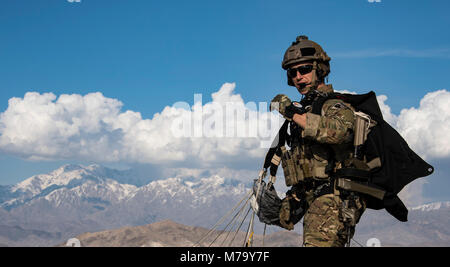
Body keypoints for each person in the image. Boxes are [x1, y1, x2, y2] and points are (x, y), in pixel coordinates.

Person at [270, 35, 366, 247]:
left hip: (334, 199)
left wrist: (292, 113)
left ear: (319, 70)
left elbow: (340, 132)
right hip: (314, 201)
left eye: (304, 69)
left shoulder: (334, 105)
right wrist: (286, 206)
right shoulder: (303, 112)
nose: (298, 77)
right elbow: (308, 168)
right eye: (292, 72)